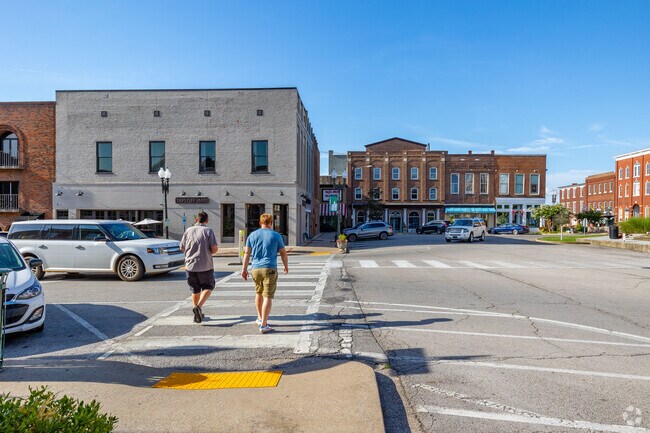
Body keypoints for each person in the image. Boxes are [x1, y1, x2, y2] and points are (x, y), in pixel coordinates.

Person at [241, 213, 289, 334]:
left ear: (260, 223)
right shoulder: (276, 236)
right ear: (271, 223)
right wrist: (285, 266)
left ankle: (259, 317)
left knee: (258, 293)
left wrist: (244, 269)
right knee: (267, 296)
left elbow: (247, 253)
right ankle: (263, 325)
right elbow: (283, 253)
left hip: (255, 269)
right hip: (270, 268)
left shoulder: (252, 235)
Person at [179, 211, 218, 323]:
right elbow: (214, 249)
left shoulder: (188, 230)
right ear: (206, 221)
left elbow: (182, 247)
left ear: (196, 220)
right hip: (205, 265)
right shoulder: (208, 231)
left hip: (190, 265)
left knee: (195, 290)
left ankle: (196, 311)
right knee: (208, 287)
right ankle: (198, 307)